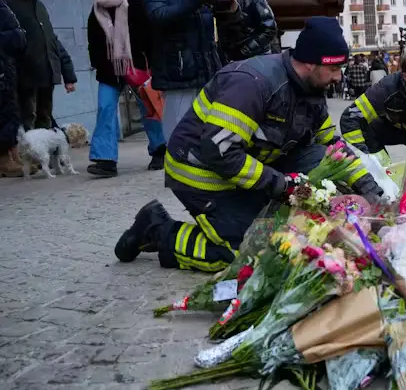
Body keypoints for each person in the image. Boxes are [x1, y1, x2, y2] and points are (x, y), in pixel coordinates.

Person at [114, 17, 383, 272]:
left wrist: (371, 191)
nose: (339, 78)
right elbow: (219, 151)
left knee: (313, 160)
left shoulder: (312, 90)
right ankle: (157, 229)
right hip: (201, 171)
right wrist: (283, 186)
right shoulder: (252, 84)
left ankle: (256, 210)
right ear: (311, 64)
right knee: (247, 251)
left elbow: (331, 147)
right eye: (334, 69)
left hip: (245, 168)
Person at [85, 0, 167, 177]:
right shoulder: (98, 4)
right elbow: (93, 38)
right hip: (109, 69)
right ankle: (106, 160)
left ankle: (160, 150)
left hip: (137, 65)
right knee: (105, 108)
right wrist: (98, 62)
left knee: (149, 107)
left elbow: (149, 32)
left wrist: (152, 62)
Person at [143, 0, 225, 140]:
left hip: (205, 65)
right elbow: (157, 16)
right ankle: (176, 168)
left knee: (208, 126)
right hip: (177, 67)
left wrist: (228, 7)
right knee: (178, 129)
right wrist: (193, 0)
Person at [3, 0, 77, 130]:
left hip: (46, 74)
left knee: (45, 120)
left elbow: (51, 40)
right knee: (27, 121)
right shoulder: (7, 5)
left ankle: (46, 156)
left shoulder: (39, 5)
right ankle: (27, 156)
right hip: (23, 77)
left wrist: (68, 74)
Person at [0, 0, 26, 176]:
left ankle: (13, 154)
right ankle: (5, 159)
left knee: (10, 111)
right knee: (4, 113)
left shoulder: (2, 0)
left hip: (7, 65)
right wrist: (15, 36)